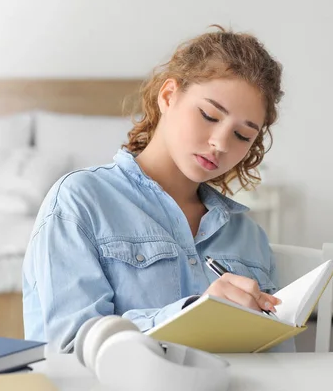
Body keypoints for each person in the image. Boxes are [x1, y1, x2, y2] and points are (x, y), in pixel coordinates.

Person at [22, 25, 292, 353]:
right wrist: (192, 316)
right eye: (209, 115)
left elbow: (278, 360)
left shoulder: (249, 236)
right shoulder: (80, 201)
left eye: (242, 136)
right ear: (168, 96)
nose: (220, 143)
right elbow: (68, 347)